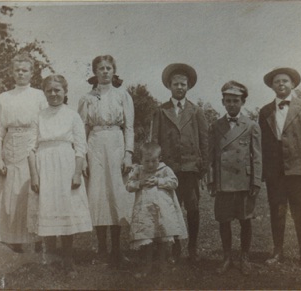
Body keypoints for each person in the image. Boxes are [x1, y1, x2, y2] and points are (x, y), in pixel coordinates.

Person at [28, 75, 92, 277]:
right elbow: (30, 149)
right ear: (44, 93)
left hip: (66, 164)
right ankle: (49, 257)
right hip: (44, 165)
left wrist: (77, 173)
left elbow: (81, 147)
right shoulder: (38, 116)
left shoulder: (72, 115)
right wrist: (34, 176)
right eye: (49, 91)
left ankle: (67, 260)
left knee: (65, 210)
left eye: (58, 90)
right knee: (47, 208)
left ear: (65, 92)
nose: (54, 94)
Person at [259, 67, 301, 269]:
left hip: (298, 170)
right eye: (277, 82)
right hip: (275, 172)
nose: (281, 84)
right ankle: (278, 251)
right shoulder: (265, 111)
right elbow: (263, 144)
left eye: (285, 81)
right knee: (277, 210)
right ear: (272, 86)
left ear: (293, 84)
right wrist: (264, 170)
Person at [78, 55, 135, 268]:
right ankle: (102, 250)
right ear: (95, 72)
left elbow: (129, 127)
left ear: (114, 71)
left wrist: (128, 153)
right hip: (95, 145)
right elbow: (81, 129)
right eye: (100, 68)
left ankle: (117, 250)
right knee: (99, 195)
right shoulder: (87, 98)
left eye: (108, 68)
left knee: (116, 195)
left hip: (117, 144)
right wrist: (82, 157)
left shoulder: (123, 95)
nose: (104, 72)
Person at [151, 63, 208, 263]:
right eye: (176, 84)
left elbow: (204, 140)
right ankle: (175, 247)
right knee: (172, 209)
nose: (180, 87)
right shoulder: (161, 111)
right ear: (169, 86)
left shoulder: (196, 111)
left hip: (191, 169)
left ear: (189, 86)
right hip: (169, 170)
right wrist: (157, 168)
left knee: (192, 208)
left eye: (183, 84)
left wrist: (203, 167)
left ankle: (192, 248)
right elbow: (155, 141)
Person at [0, 53, 46, 253]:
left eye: (25, 70)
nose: (21, 73)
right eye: (17, 70)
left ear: (32, 73)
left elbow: (44, 124)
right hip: (10, 146)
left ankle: (37, 242)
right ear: (12, 72)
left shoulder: (40, 96)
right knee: (10, 193)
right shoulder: (3, 98)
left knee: (31, 191)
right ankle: (13, 242)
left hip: (32, 145)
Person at [208, 81, 262, 275]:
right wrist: (211, 180)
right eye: (228, 100)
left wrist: (255, 181)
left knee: (245, 220)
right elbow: (211, 156)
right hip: (223, 181)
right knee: (224, 220)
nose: (231, 104)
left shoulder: (251, 125)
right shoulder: (215, 125)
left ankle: (244, 257)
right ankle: (227, 257)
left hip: (243, 182)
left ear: (243, 102)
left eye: (236, 100)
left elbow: (257, 156)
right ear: (223, 102)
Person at [126, 142, 187, 278]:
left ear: (160, 158)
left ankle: (162, 265)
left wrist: (159, 181)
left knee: (162, 239)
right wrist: (139, 184)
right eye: (147, 161)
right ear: (141, 160)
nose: (151, 164)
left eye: (154, 161)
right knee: (147, 237)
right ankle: (147, 266)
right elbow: (128, 186)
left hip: (162, 211)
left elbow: (174, 182)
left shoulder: (164, 170)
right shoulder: (138, 170)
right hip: (145, 212)